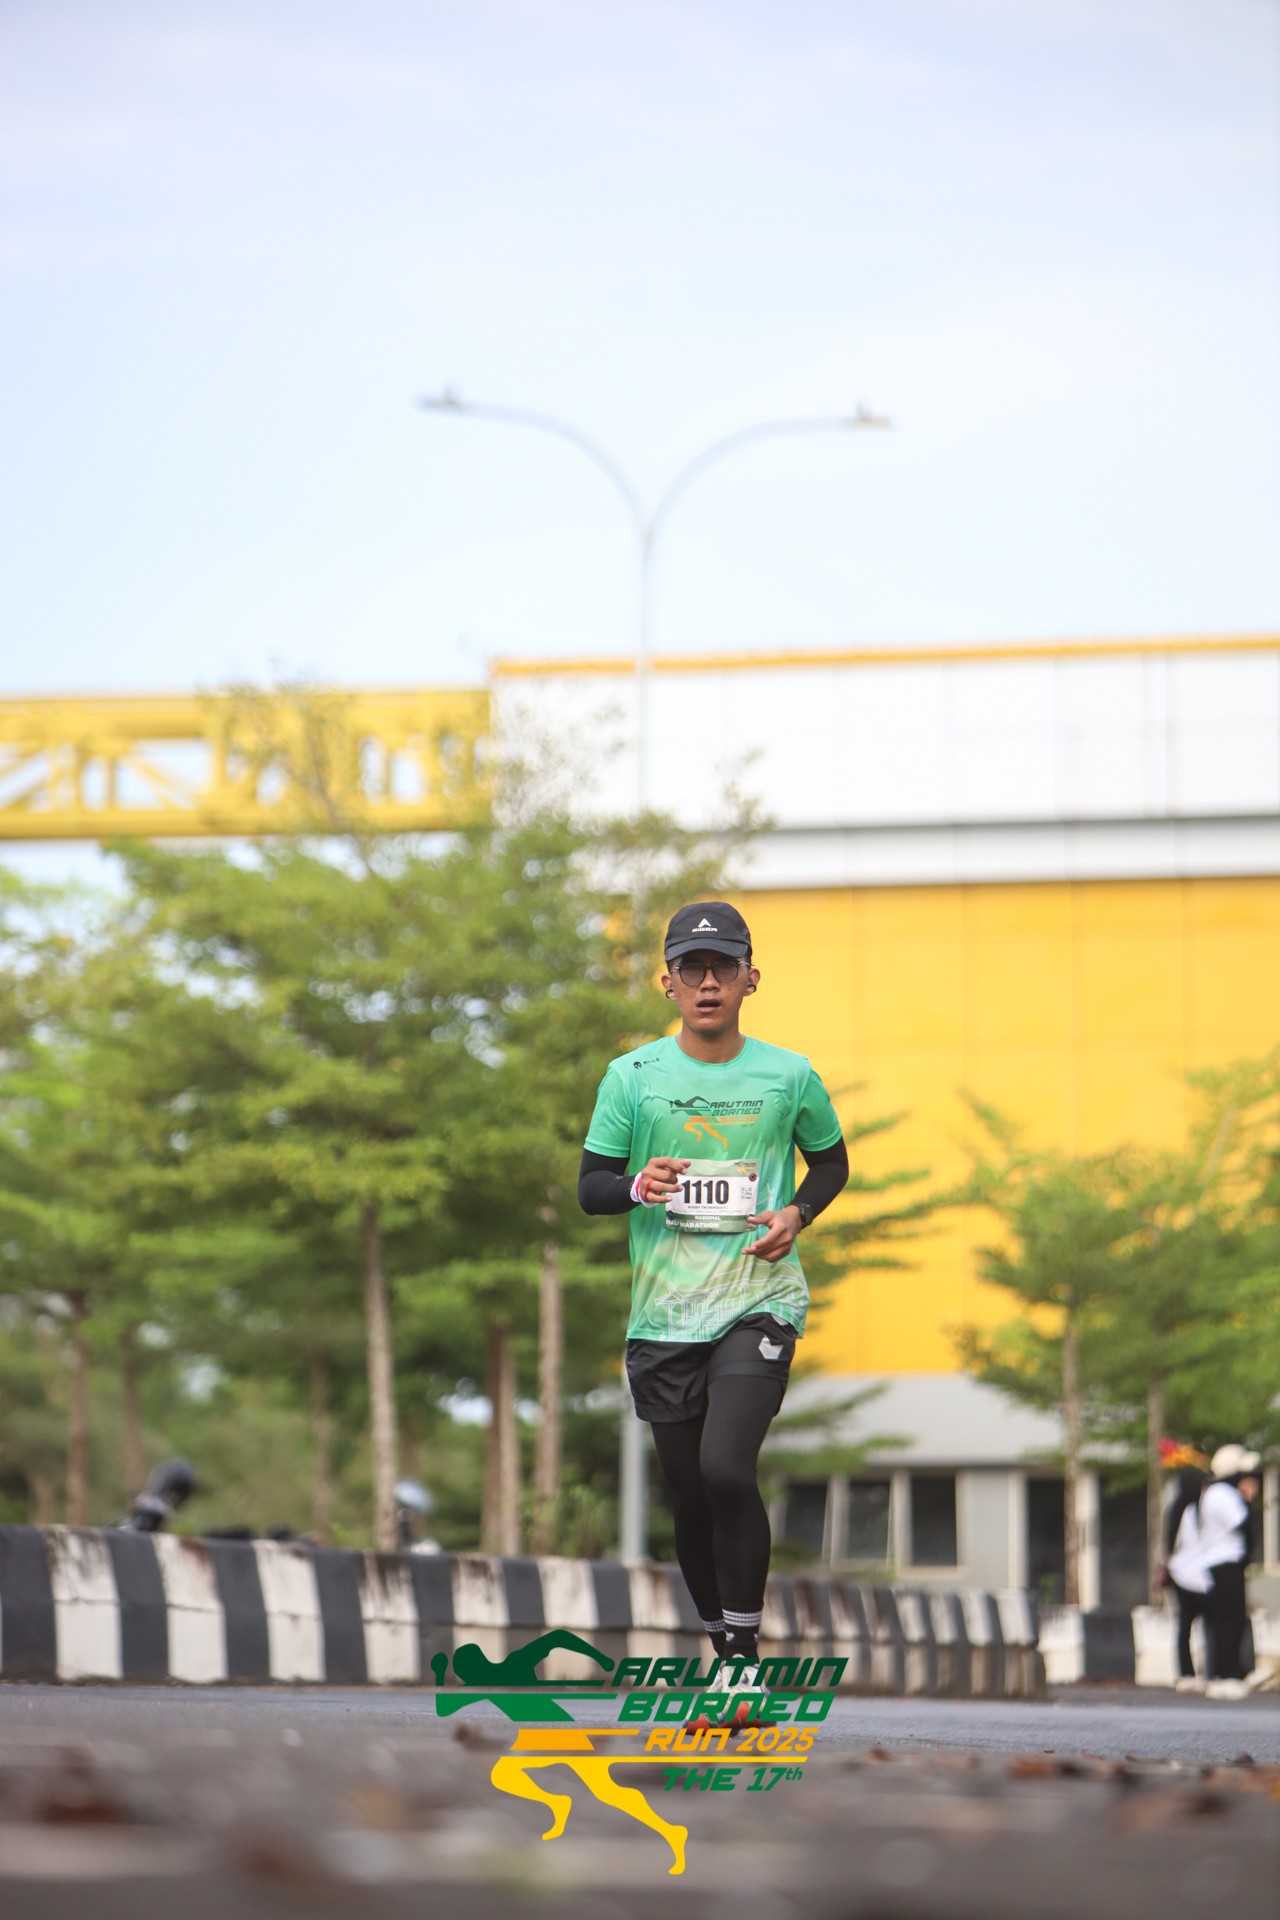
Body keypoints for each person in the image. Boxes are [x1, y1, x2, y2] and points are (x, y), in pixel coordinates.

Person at [578, 901, 849, 1714]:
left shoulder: (789, 1075)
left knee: (728, 1467)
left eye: (722, 968)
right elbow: (591, 1188)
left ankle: (743, 1659)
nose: (706, 983)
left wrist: (797, 1213)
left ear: (749, 979)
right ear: (666, 983)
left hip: (758, 1298)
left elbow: (831, 1164)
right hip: (664, 1316)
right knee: (690, 1494)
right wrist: (638, 1185)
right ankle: (724, 1647)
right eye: (690, 969)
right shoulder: (632, 1077)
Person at [1197, 1443, 1262, 1700]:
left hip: (1225, 1564)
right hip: (1224, 1564)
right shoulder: (1221, 1493)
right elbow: (1242, 1524)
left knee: (1230, 1619)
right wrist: (1246, 1500)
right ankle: (1226, 1674)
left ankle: (1230, 1670)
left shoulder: (1219, 1492)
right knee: (1228, 1620)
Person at [1159, 1455, 1210, 1693]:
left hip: (1179, 1573)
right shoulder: (1200, 1508)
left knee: (1184, 1626)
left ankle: (1185, 1673)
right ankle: (1211, 1670)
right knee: (1210, 1624)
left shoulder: (1175, 1507)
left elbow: (1169, 1543)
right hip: (1202, 1575)